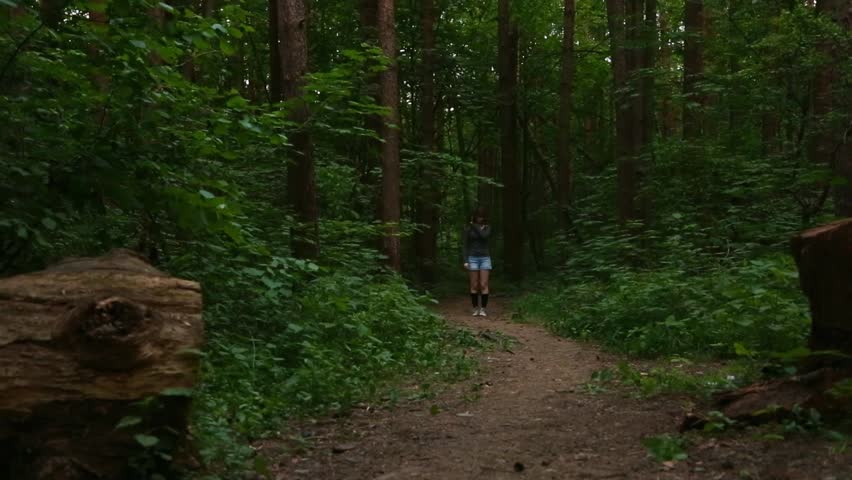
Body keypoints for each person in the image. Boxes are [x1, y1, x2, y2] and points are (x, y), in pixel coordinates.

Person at [462, 206, 492, 316]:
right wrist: (465, 260)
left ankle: (483, 309)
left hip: (485, 258)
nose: (480, 219)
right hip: (472, 258)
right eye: (478, 216)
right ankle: (475, 308)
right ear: (475, 216)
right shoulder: (467, 228)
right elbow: (465, 245)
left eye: (482, 217)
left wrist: (474, 226)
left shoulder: (487, 227)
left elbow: (484, 236)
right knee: (474, 285)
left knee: (483, 284)